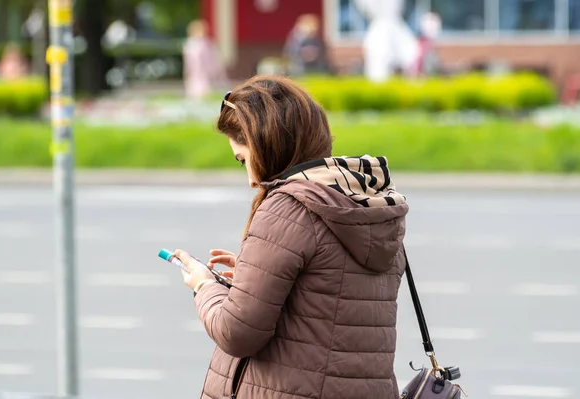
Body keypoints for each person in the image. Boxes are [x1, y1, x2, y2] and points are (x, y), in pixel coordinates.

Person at [173, 75, 409, 399]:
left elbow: (237, 333)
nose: (250, 179)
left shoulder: (289, 207)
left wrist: (204, 286)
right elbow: (333, 296)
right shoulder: (366, 204)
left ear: (265, 144)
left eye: (244, 159)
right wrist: (255, 272)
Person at [182, 19, 226, 99]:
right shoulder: (192, 45)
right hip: (197, 75)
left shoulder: (206, 43)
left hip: (205, 75)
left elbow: (214, 60)